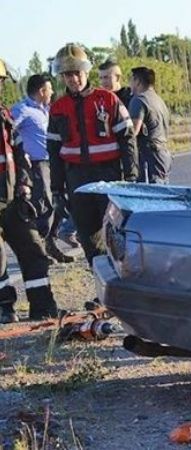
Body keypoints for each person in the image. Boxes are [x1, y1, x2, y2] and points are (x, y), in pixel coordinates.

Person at [47, 43, 138, 263]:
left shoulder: (108, 100)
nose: (73, 79)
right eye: (67, 74)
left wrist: (131, 178)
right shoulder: (58, 108)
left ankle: (122, 278)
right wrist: (57, 191)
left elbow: (127, 140)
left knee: (116, 235)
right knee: (89, 240)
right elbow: (54, 153)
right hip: (76, 179)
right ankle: (99, 281)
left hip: (108, 177)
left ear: (86, 71)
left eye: (76, 73)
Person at [0, 58, 60, 323]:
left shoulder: (4, 115)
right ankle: (4, 308)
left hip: (12, 199)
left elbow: (19, 151)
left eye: (1, 82)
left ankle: (43, 307)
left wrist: (24, 183)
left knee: (34, 250)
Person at [11, 74, 75, 263]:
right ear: (41, 91)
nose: (53, 92)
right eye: (50, 89)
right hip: (38, 165)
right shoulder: (22, 109)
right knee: (44, 206)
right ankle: (39, 252)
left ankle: (50, 243)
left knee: (60, 203)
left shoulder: (47, 110)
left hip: (55, 162)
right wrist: (20, 152)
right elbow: (8, 130)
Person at [129, 66, 171, 183]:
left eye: (131, 80)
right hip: (163, 155)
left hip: (149, 158)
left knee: (149, 191)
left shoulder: (139, 100)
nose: (130, 84)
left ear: (137, 81)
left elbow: (132, 132)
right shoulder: (159, 101)